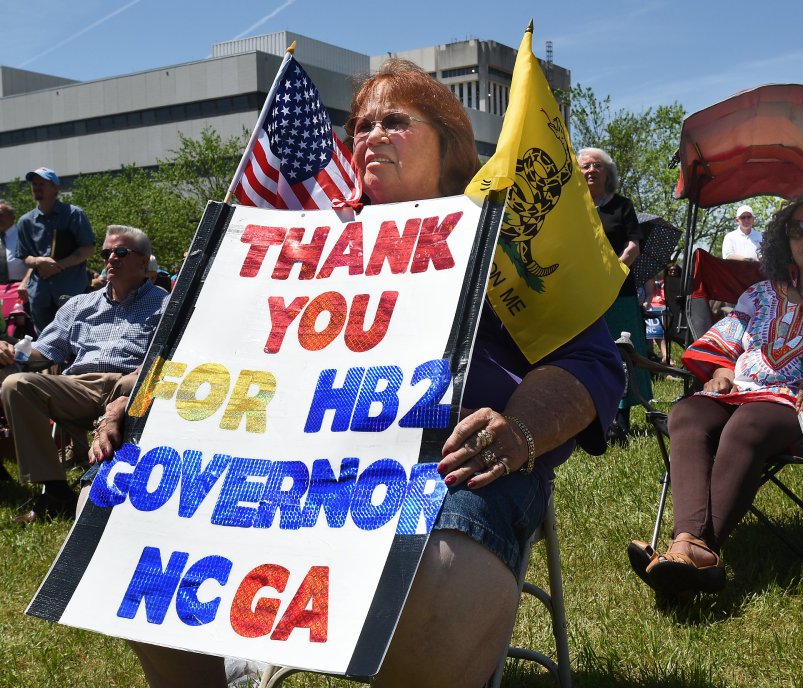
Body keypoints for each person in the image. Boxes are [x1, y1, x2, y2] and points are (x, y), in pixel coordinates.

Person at [92, 60, 624, 688]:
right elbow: (214, 345)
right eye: (362, 125)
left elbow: (590, 361)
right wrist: (135, 404)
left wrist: (521, 428)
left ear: (451, 145)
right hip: (290, 467)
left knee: (441, 565)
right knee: (113, 505)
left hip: (456, 466)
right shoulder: (304, 244)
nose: (371, 135)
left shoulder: (503, 240)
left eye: (395, 122)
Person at [632, 187, 803, 601]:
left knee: (749, 422)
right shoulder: (759, 295)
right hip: (740, 391)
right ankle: (690, 546)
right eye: (799, 229)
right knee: (687, 412)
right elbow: (726, 344)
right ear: (785, 242)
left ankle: (691, 551)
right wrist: (721, 371)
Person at [0, 225, 168, 523]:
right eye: (106, 253)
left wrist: (141, 374)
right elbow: (42, 352)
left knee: (136, 381)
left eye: (121, 252)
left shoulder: (165, 303)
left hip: (130, 382)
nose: (111, 259)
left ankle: (102, 478)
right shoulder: (81, 303)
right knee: (16, 383)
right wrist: (14, 351)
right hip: (79, 384)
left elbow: (167, 357)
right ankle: (54, 491)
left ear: (143, 262)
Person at [577, 146, 651, 438]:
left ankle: (621, 417)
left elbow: (634, 244)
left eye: (597, 165)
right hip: (583, 290)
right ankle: (590, 414)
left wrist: (615, 271)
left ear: (608, 173)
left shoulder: (622, 206)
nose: (591, 170)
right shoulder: (572, 207)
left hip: (619, 290)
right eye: (585, 166)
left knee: (623, 349)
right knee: (590, 350)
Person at [15, 167, 96, 331]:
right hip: (40, 294)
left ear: (56, 188)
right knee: (44, 344)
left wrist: (58, 265)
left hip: (70, 290)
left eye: (42, 183)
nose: (36, 187)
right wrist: (39, 261)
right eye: (34, 184)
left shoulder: (73, 214)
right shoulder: (25, 221)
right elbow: (24, 257)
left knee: (76, 339)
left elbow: (88, 248)